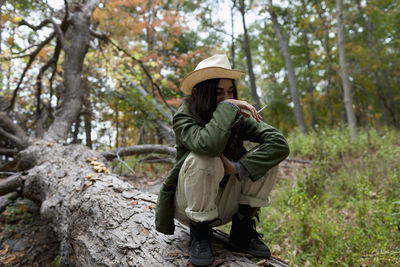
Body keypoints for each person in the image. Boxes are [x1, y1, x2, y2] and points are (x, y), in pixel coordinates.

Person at [155, 54, 290, 266]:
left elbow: (279, 143)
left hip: (226, 204)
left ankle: (242, 229)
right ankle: (199, 232)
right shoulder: (185, 116)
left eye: (230, 92)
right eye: (218, 93)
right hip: (189, 204)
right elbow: (209, 145)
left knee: (268, 158)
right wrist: (227, 107)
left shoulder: (237, 117)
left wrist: (238, 168)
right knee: (206, 158)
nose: (227, 98)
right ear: (199, 93)